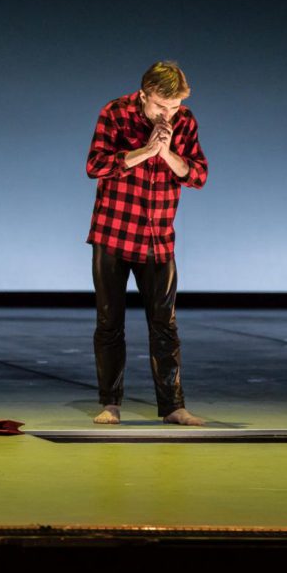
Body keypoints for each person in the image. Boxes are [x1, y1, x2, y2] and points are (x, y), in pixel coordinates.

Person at [86, 61, 207, 425]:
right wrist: (144, 151)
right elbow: (95, 165)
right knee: (110, 322)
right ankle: (110, 403)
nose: (167, 116)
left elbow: (198, 174)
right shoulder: (115, 113)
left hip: (158, 237)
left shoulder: (184, 121)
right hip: (113, 233)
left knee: (165, 325)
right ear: (143, 96)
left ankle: (173, 406)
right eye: (159, 107)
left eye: (173, 108)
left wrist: (168, 153)